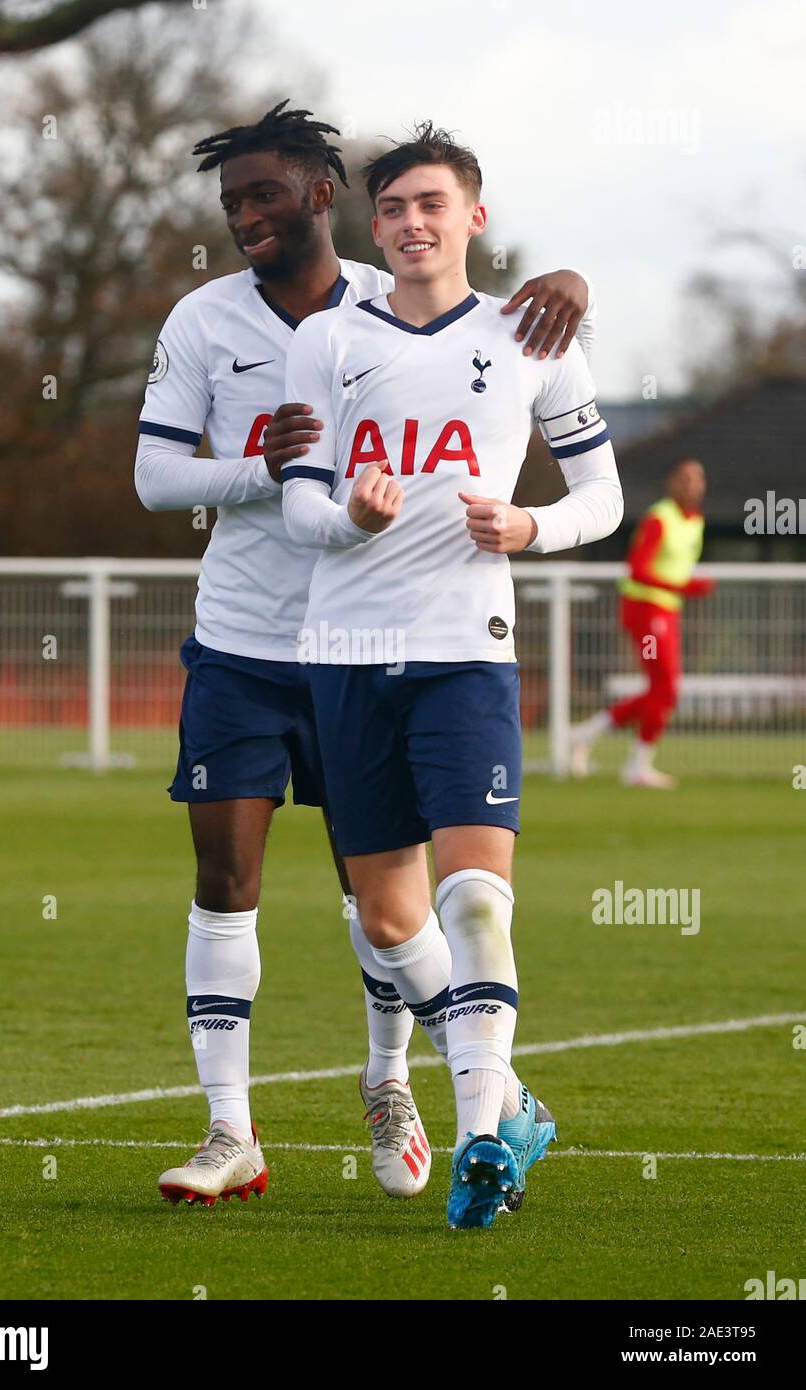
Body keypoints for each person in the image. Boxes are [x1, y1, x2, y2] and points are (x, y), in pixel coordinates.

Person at [135, 101, 597, 1208]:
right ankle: (231, 1129)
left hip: (392, 642)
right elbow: (157, 480)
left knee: (381, 904)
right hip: (251, 642)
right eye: (232, 201)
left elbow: (509, 356)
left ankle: (394, 1080)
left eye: (264, 196)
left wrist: (572, 286)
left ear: (323, 198)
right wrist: (271, 469)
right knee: (230, 878)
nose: (247, 216)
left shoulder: (400, 304)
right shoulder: (210, 321)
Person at [281, 121, 623, 1228]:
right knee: (388, 920)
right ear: (373, 228)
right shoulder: (326, 343)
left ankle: (480, 1134)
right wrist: (347, 517)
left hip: (466, 649)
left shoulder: (534, 334)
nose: (413, 222)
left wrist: (531, 522)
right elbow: (297, 504)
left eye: (434, 203)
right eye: (393, 209)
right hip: (342, 652)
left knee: (477, 895)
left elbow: (603, 498)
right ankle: (511, 1093)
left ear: (474, 217)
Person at [570, 458, 714, 789]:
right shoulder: (659, 518)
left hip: (665, 610)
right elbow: (638, 569)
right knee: (665, 687)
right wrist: (685, 587)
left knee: (662, 689)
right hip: (645, 609)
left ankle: (588, 736)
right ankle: (635, 764)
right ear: (671, 482)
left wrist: (682, 589)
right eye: (686, 478)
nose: (693, 485)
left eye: (698, 478)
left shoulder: (696, 520)